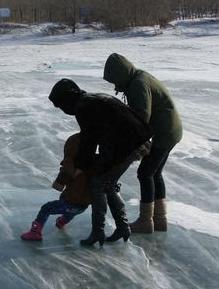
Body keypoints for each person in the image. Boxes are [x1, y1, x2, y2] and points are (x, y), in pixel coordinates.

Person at [49, 79, 152, 247]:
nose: (61, 109)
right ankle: (122, 227)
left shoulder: (83, 106)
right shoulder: (92, 99)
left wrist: (78, 168)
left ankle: (98, 231)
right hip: (137, 140)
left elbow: (88, 142)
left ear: (68, 98)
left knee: (99, 183)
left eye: (60, 105)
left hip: (131, 144)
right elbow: (96, 136)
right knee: (107, 183)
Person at [103, 53, 182, 235]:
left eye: (115, 81)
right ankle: (160, 220)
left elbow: (141, 117)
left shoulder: (138, 84)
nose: (115, 86)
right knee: (155, 174)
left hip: (164, 133)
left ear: (122, 73)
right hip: (171, 130)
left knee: (145, 173)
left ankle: (146, 221)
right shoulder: (139, 77)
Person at [21, 132, 92, 241]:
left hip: (70, 203)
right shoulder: (94, 165)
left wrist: (59, 182)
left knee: (46, 208)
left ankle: (35, 232)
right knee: (70, 210)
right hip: (83, 207)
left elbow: (66, 174)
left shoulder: (72, 164)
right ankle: (62, 222)